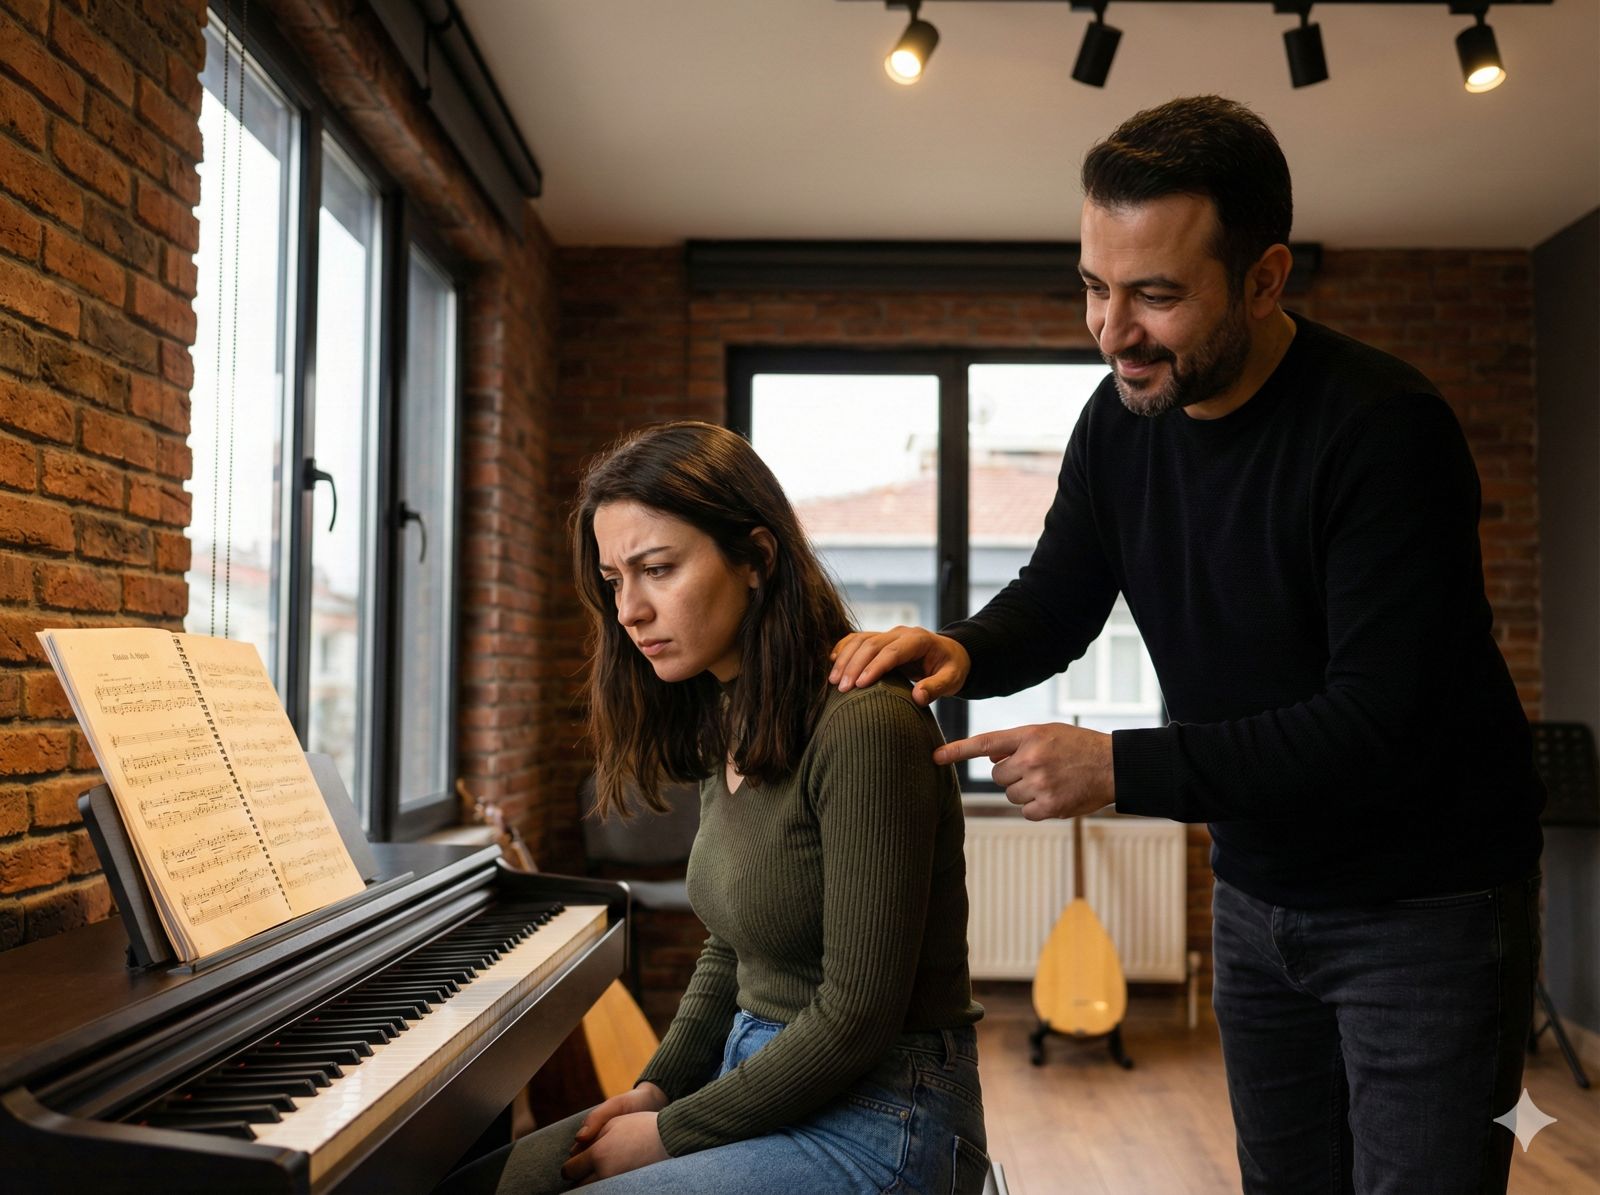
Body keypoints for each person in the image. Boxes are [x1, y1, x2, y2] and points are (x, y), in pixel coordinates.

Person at [830, 95, 1544, 1195]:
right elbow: (1060, 595)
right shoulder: (1119, 419)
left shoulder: (1383, 431)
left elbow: (1374, 723)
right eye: (1093, 287)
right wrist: (960, 651)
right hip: (1258, 896)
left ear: (1264, 279)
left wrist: (1118, 768)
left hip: (1427, 911)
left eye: (1155, 295)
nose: (1112, 331)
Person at [437, 421, 987, 1195]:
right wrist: (658, 1087)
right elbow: (732, 947)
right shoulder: (729, 715)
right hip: (754, 1079)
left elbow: (858, 1015)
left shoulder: (867, 721)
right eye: (613, 580)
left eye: (656, 569)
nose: (629, 610)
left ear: (756, 558)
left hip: (883, 1120)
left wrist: (667, 1132)